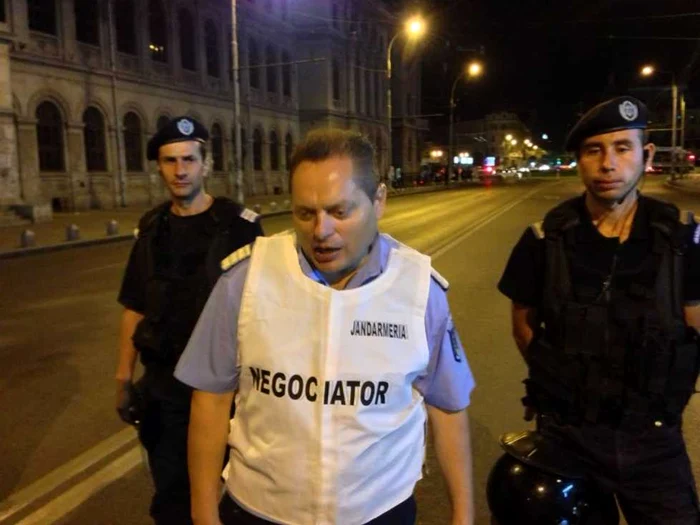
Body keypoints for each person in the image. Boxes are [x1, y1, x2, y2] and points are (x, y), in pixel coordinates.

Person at [175, 128, 476, 525]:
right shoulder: (245, 281)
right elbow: (210, 402)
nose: (321, 231)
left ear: (379, 201)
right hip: (260, 511)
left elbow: (448, 408)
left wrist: (463, 514)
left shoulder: (420, 291)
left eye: (340, 211)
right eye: (305, 213)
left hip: (379, 513)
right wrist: (203, 515)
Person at [497, 96, 700, 524]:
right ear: (579, 162)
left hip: (654, 445)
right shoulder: (543, 240)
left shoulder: (680, 238)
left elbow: (693, 327)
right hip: (568, 440)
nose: (608, 164)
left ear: (646, 156)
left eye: (622, 148)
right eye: (594, 150)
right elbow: (524, 327)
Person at [115, 116, 264, 524]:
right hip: (165, 390)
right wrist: (123, 379)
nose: (180, 170)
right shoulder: (151, 229)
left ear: (206, 164)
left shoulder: (240, 227)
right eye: (170, 161)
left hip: (227, 392)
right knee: (173, 499)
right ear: (159, 167)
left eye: (188, 159)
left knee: (236, 495)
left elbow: (266, 310)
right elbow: (135, 305)